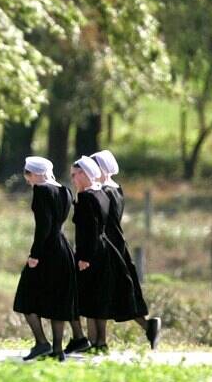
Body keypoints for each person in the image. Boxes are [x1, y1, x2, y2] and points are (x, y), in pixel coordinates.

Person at [92, 149, 161, 350]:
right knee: (120, 293)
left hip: (107, 244)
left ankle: (99, 342)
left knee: (100, 292)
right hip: (118, 244)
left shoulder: (103, 192)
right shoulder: (117, 189)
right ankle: (147, 326)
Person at [68, 156, 138, 355]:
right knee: (99, 297)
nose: (73, 179)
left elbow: (89, 229)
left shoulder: (86, 197)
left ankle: (93, 342)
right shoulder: (101, 193)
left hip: (90, 252)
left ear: (84, 174)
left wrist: (84, 257)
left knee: (89, 299)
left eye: (74, 175)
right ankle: (100, 342)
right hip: (104, 249)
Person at [12, 156, 78, 361]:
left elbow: (43, 226)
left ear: (35, 173)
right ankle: (57, 350)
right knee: (59, 299)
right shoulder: (65, 190)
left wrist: (35, 255)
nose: (27, 179)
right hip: (64, 248)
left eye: (27, 174)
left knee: (25, 296)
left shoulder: (41, 191)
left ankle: (42, 343)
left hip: (48, 250)